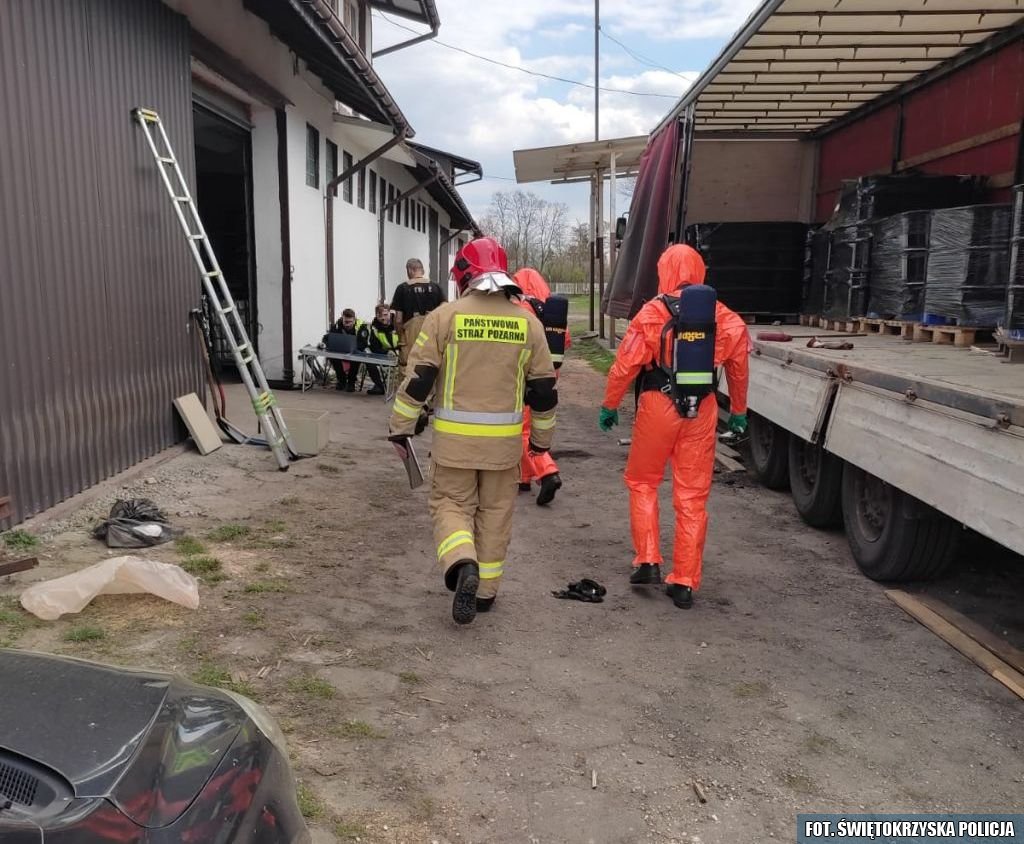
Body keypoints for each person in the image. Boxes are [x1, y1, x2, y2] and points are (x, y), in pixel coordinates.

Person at [388, 237, 558, 625]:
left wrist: (401, 427)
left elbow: (419, 380)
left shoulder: (445, 317)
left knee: (450, 506)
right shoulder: (528, 322)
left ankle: (462, 563)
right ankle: (484, 593)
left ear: (464, 274)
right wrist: (540, 444)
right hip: (503, 449)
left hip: (454, 447)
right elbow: (545, 391)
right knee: (496, 514)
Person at [598, 244, 750, 610]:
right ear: (700, 272)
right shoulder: (725, 317)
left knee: (643, 482)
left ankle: (648, 558)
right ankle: (684, 580)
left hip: (657, 404)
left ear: (663, 270)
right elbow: (739, 366)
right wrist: (740, 411)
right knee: (692, 496)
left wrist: (610, 404)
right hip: (703, 409)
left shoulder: (652, 313)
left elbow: (625, 365)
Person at [513, 267, 570, 506]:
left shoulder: (519, 309)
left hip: (526, 376)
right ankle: (523, 477)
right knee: (534, 426)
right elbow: (565, 341)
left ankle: (547, 472)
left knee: (522, 430)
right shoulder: (550, 310)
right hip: (549, 376)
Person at [390, 258, 446, 382]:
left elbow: (398, 319)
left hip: (410, 334)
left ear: (410, 270)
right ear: (422, 270)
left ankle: (410, 396)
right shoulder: (436, 287)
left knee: (408, 365)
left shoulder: (402, 288)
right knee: (430, 363)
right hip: (432, 332)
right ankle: (430, 396)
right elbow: (444, 310)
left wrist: (401, 337)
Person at [323, 308, 370, 392]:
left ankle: (351, 382)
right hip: (340, 351)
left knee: (356, 359)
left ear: (354, 319)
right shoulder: (337, 325)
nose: (347, 325)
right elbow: (327, 338)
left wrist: (353, 347)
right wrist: (327, 344)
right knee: (333, 357)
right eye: (345, 322)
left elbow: (363, 343)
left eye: (350, 322)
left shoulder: (361, 327)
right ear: (342, 319)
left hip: (355, 351)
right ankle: (342, 380)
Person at [366, 303, 400, 396]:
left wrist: (398, 352)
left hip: (402, 353)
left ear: (390, 313)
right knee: (369, 361)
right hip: (386, 355)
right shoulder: (374, 327)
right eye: (379, 316)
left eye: (385, 315)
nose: (382, 318)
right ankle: (379, 386)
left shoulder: (399, 323)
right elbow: (374, 347)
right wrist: (386, 352)